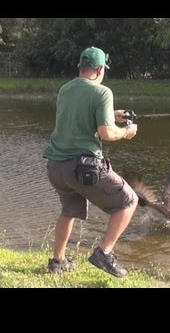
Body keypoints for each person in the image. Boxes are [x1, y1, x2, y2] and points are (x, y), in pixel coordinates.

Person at [43, 46, 138, 278]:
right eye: (104, 68)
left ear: (81, 67)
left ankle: (58, 261)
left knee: (69, 210)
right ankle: (104, 253)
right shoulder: (102, 92)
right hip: (82, 168)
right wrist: (126, 131)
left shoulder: (65, 89)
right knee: (128, 201)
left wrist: (110, 113)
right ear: (99, 69)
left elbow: (77, 115)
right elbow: (106, 134)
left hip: (55, 165)